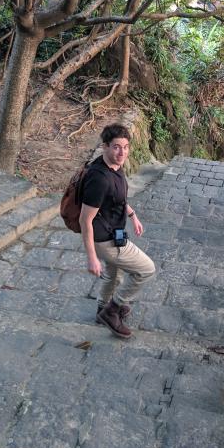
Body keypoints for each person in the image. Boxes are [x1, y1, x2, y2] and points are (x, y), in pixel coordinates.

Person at [79, 123, 155, 339]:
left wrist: (132, 215)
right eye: (116, 147)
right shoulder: (99, 179)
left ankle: (101, 310)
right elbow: (85, 220)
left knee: (114, 275)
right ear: (104, 146)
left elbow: (118, 199)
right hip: (104, 239)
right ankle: (112, 310)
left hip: (115, 231)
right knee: (146, 269)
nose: (122, 153)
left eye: (126, 147)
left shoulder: (115, 166)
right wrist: (92, 258)